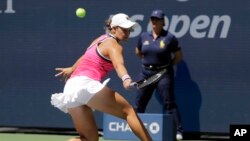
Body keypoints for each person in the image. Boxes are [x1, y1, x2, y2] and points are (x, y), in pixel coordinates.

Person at [51, 13, 152, 141]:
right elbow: (118, 64)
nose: (127, 32)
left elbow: (85, 56)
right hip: (85, 84)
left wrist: (72, 68)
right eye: (123, 29)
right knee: (129, 112)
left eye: (129, 30)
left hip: (71, 88)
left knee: (89, 138)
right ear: (114, 28)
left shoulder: (99, 39)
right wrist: (126, 79)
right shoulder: (114, 45)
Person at [134, 9, 184, 140]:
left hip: (163, 74)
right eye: (152, 19)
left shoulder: (170, 38)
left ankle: (178, 131)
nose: (154, 22)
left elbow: (178, 56)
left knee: (169, 103)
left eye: (157, 19)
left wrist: (166, 66)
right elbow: (138, 52)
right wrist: (149, 64)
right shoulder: (144, 36)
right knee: (139, 103)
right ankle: (136, 130)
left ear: (163, 22)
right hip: (146, 74)